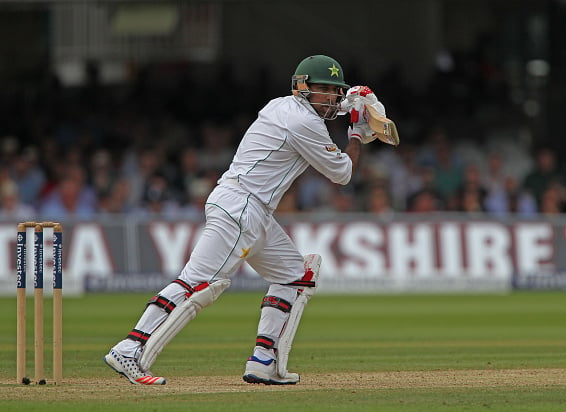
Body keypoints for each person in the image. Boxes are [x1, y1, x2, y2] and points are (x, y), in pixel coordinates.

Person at [103, 55, 376, 385]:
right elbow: (343, 173)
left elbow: (325, 108)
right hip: (241, 208)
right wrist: (359, 132)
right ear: (302, 88)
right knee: (198, 282)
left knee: (293, 275)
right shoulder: (305, 124)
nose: (331, 98)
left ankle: (263, 360)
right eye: (324, 90)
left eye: (335, 91)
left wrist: (351, 102)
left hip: (253, 210)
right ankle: (131, 346)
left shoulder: (281, 105)